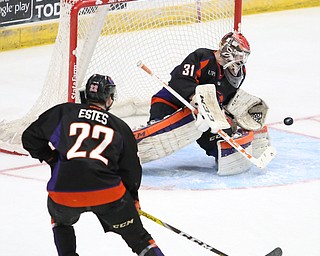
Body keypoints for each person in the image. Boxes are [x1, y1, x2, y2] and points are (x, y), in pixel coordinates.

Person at [21, 74, 164, 256]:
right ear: (110, 98)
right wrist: (132, 200)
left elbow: (30, 138)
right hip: (109, 195)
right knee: (140, 239)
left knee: (61, 220)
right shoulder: (120, 127)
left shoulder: (64, 112)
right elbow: (131, 171)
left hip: (64, 194)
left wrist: (51, 158)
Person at [148, 31, 251, 160]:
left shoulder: (239, 73)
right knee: (158, 129)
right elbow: (179, 81)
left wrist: (234, 116)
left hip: (204, 115)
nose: (241, 60)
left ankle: (223, 153)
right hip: (174, 102)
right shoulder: (202, 57)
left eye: (243, 56)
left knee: (217, 131)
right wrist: (195, 97)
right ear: (228, 49)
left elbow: (228, 99)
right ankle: (152, 129)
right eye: (239, 55)